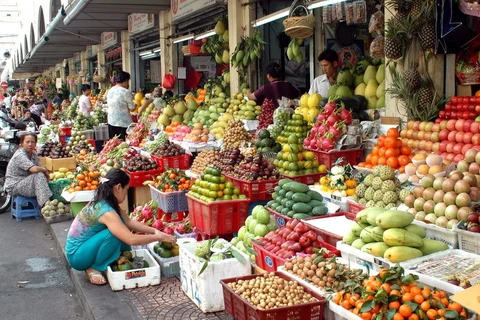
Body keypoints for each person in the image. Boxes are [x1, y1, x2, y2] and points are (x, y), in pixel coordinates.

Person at [65, 169, 175, 285]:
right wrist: (158, 237)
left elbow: (129, 222)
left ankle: (111, 259)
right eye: (127, 189)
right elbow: (130, 239)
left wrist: (155, 231)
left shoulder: (107, 202)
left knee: (120, 229)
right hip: (77, 257)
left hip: (85, 249)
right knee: (114, 233)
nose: (126, 193)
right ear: (118, 187)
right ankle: (94, 267)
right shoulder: (106, 211)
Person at [5, 133, 52, 207]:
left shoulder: (33, 154)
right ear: (22, 143)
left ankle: (47, 202)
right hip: (14, 186)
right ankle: (46, 204)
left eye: (32, 142)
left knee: (42, 176)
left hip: (25, 182)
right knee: (39, 175)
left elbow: (39, 167)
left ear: (35, 143)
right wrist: (45, 170)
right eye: (27, 142)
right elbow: (34, 169)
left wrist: (45, 174)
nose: (30, 144)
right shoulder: (20, 155)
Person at [106, 71, 136, 140]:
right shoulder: (126, 92)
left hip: (111, 121)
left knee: (113, 144)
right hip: (123, 123)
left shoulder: (110, 90)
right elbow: (132, 108)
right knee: (123, 145)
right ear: (126, 80)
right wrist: (135, 105)